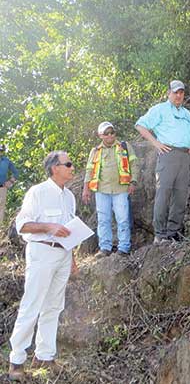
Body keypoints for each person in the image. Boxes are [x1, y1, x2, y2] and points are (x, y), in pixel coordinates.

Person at [8, 151, 79, 381]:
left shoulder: (69, 196)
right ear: (54, 168)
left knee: (54, 306)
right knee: (32, 304)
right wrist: (48, 227)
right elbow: (23, 225)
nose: (72, 167)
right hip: (41, 252)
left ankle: (45, 356)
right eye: (67, 164)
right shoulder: (37, 192)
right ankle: (16, 361)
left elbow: (69, 230)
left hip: (63, 255)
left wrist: (73, 260)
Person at [135, 80, 190, 244]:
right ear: (169, 93)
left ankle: (173, 233)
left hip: (184, 157)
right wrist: (156, 143)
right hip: (167, 155)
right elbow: (140, 125)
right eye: (176, 92)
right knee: (163, 194)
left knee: (180, 196)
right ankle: (160, 234)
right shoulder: (160, 109)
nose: (179, 95)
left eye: (181, 92)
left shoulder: (186, 113)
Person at [81, 122, 139, 257]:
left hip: (121, 189)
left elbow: (134, 164)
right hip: (101, 190)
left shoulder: (124, 146)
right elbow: (89, 170)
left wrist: (133, 182)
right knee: (103, 219)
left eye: (112, 132)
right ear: (100, 135)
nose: (110, 135)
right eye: (106, 133)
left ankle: (124, 248)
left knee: (123, 219)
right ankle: (105, 247)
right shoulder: (95, 151)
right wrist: (86, 188)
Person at [0, 144, 20, 225]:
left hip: (2, 188)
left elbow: (16, 173)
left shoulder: (6, 161)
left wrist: (10, 181)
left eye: (1, 151)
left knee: (1, 209)